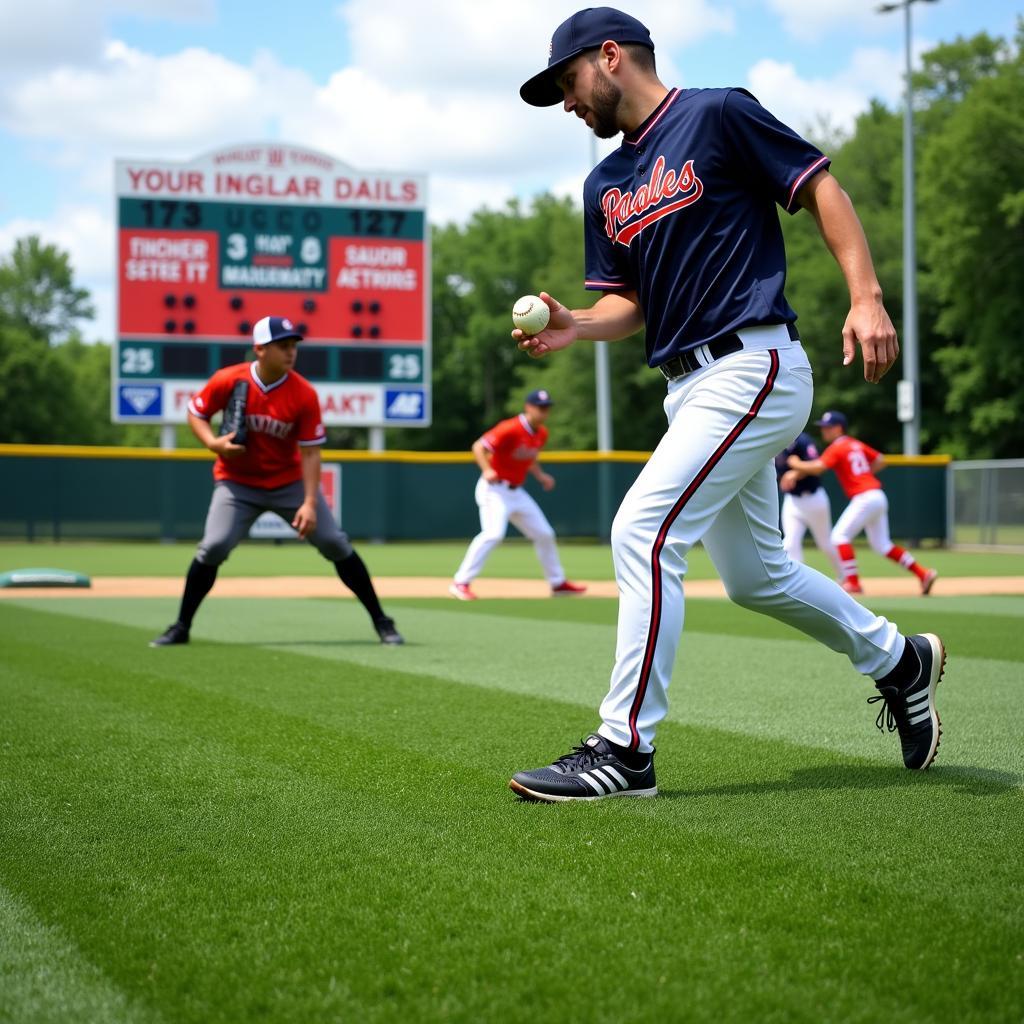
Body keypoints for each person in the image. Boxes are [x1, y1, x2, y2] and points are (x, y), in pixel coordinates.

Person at [507, 7, 945, 802]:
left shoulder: (717, 113)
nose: (567, 103)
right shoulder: (604, 184)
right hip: (688, 387)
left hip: (755, 365)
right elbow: (626, 304)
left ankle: (625, 749)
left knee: (642, 531)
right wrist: (576, 325)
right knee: (756, 577)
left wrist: (867, 297)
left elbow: (822, 189)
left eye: (567, 83)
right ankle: (900, 660)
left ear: (610, 57)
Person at [150, 315, 403, 647]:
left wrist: (310, 503)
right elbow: (196, 412)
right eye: (282, 345)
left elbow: (311, 453)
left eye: (293, 345)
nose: (290, 352)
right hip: (237, 484)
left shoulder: (303, 394)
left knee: (334, 542)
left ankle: (382, 622)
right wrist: (212, 443)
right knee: (213, 546)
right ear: (259, 349)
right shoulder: (229, 380)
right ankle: (181, 626)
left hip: (289, 485)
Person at [450, 389, 587, 600]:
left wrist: (540, 476)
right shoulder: (510, 428)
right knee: (493, 534)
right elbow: (478, 447)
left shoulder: (541, 433)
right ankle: (461, 582)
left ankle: (557, 583)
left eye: (547, 408)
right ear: (528, 407)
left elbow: (529, 457)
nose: (544, 412)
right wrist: (487, 469)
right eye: (540, 407)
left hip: (516, 493)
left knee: (545, 534)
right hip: (494, 490)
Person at [784, 410, 938, 596]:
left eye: (827, 427)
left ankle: (853, 583)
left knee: (839, 537)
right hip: (877, 495)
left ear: (839, 428)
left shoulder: (838, 446)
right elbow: (881, 460)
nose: (824, 431)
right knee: (882, 545)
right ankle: (923, 574)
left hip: (865, 497)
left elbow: (818, 468)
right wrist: (864, 474)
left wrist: (795, 464)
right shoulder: (854, 444)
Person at [775, 431, 842, 577]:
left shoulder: (802, 440)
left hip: (814, 499)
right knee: (790, 543)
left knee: (825, 544)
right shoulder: (774, 440)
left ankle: (846, 576)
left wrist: (796, 471)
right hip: (792, 501)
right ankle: (797, 579)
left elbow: (816, 466)